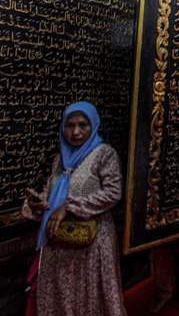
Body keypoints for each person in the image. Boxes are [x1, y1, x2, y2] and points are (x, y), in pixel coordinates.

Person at [22, 101, 127, 316]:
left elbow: (113, 193)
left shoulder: (104, 154)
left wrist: (69, 207)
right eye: (69, 125)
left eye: (83, 125)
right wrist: (39, 203)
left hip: (92, 241)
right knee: (61, 294)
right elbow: (52, 191)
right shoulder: (60, 159)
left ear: (94, 126)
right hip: (60, 241)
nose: (76, 132)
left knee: (89, 294)